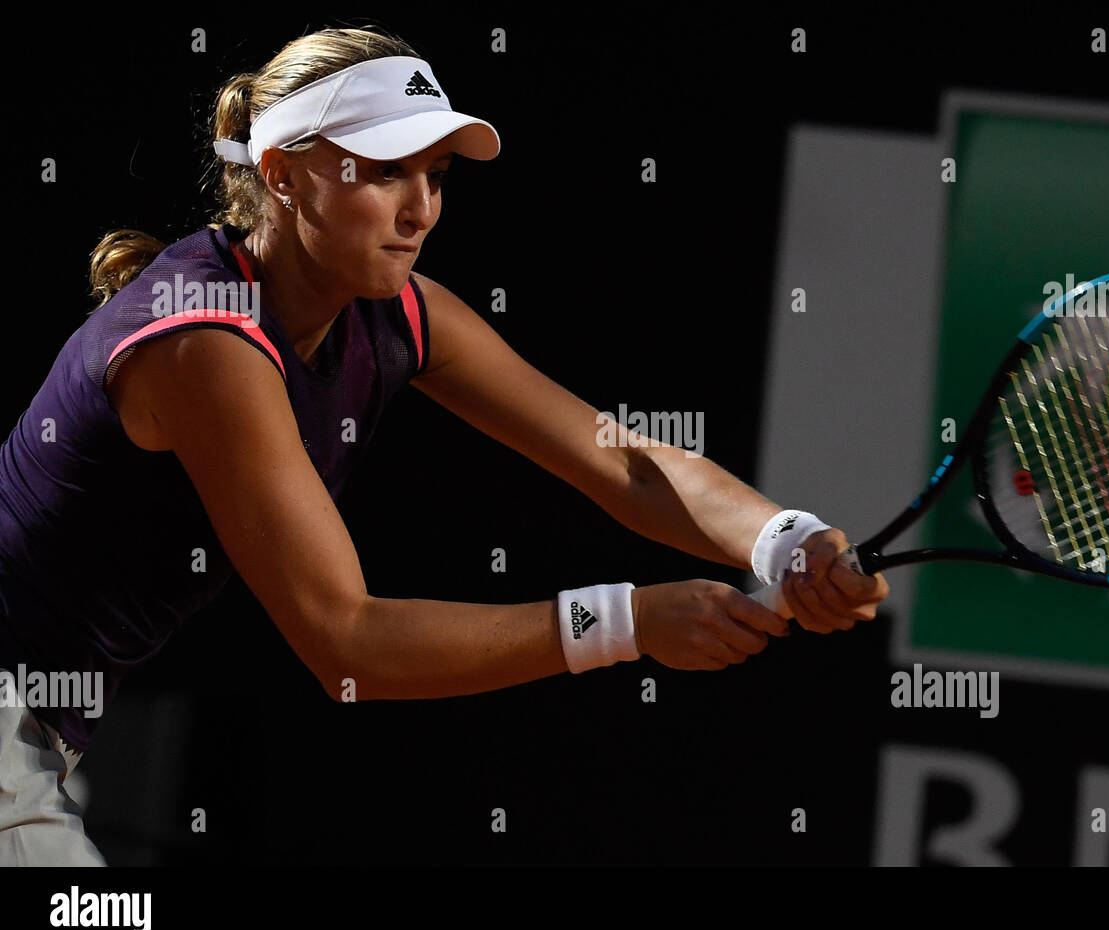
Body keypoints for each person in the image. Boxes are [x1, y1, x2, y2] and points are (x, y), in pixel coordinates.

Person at [0, 26, 888, 866]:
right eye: (386, 172)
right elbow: (347, 643)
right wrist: (629, 623)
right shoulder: (206, 345)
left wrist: (786, 540)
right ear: (282, 175)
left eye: (435, 174)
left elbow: (623, 462)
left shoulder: (399, 312)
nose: (420, 209)